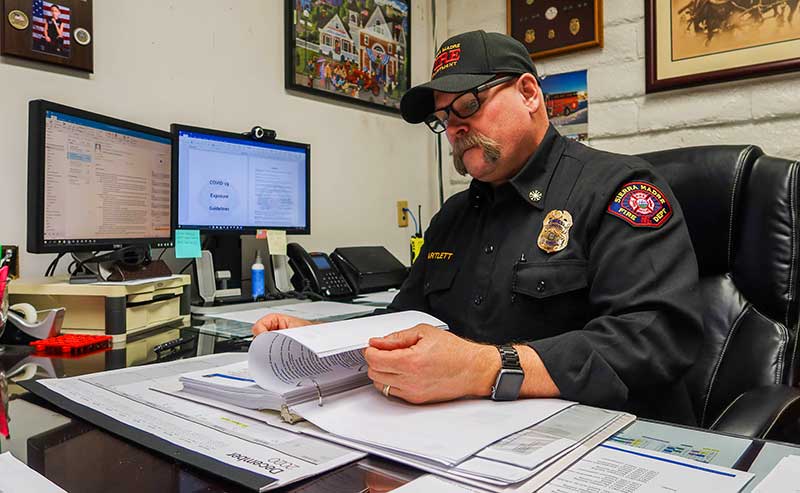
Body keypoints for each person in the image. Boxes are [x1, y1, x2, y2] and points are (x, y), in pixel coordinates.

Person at [253, 30, 703, 425]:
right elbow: (403, 323)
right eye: (444, 118)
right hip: (465, 441)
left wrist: (481, 367)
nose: (455, 128)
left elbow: (654, 338)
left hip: (601, 439)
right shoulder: (452, 217)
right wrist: (318, 339)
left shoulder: (620, 189)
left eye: (469, 104)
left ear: (529, 93)